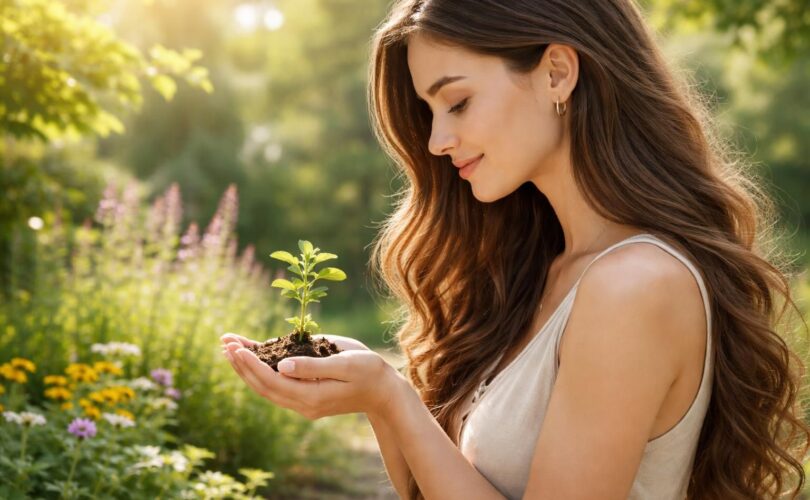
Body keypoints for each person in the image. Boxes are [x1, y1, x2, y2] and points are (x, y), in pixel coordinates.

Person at [221, 0, 810, 498]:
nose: (436, 140)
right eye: (429, 112)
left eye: (457, 102)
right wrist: (377, 399)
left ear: (557, 73)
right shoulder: (543, 271)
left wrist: (391, 395)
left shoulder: (633, 288)